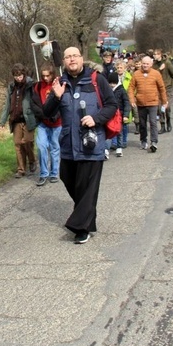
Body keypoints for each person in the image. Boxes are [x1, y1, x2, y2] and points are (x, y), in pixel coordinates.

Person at [43, 47, 117, 244]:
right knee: (68, 179)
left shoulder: (96, 79)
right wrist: (56, 96)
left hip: (91, 144)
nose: (71, 59)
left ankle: (80, 227)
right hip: (68, 145)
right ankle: (86, 217)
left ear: (81, 58)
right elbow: (47, 113)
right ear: (64, 62)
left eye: (75, 56)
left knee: (87, 187)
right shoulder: (60, 83)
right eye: (67, 57)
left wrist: (96, 118)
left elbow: (111, 105)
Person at [0, 63, 37, 178]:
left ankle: (32, 161)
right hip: (15, 119)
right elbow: (7, 105)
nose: (18, 78)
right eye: (16, 76)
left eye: (20, 76)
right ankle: (21, 169)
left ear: (23, 74)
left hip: (28, 118)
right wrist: (2, 121)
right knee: (18, 144)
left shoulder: (30, 84)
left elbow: (36, 100)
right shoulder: (11, 87)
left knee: (28, 142)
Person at [127, 56, 169, 153]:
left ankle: (154, 142)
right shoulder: (136, 74)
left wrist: (164, 101)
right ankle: (143, 140)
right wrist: (132, 99)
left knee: (153, 122)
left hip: (153, 102)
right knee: (142, 123)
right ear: (141, 63)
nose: (145, 65)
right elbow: (131, 88)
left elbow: (162, 88)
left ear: (151, 64)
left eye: (147, 64)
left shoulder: (156, 74)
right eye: (144, 63)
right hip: (140, 103)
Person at [30, 62, 62, 186]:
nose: (45, 78)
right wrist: (44, 115)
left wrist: (55, 116)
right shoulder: (37, 87)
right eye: (43, 76)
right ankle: (43, 173)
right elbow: (34, 104)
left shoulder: (57, 85)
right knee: (42, 147)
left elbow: (61, 103)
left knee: (54, 148)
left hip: (56, 123)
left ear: (52, 74)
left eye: (48, 75)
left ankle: (54, 173)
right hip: (43, 123)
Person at [107, 71, 132, 158]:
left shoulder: (122, 90)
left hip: (120, 114)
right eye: (110, 83)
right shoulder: (108, 90)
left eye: (114, 83)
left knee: (119, 131)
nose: (112, 85)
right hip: (110, 114)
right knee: (109, 131)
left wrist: (126, 115)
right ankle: (107, 149)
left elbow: (126, 103)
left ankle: (119, 147)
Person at [154, 49, 173, 133]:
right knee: (159, 108)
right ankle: (162, 126)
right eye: (154, 54)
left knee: (166, 107)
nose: (154, 56)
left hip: (167, 89)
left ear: (160, 55)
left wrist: (172, 86)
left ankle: (168, 121)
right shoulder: (154, 64)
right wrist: (159, 69)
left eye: (156, 54)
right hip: (158, 89)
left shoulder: (167, 63)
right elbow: (153, 75)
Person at [115, 60, 132, 148]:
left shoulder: (129, 78)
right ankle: (115, 142)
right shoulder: (114, 77)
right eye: (118, 68)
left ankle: (124, 140)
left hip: (126, 101)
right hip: (117, 102)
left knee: (124, 124)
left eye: (121, 68)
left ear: (125, 69)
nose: (119, 69)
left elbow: (132, 89)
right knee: (115, 123)